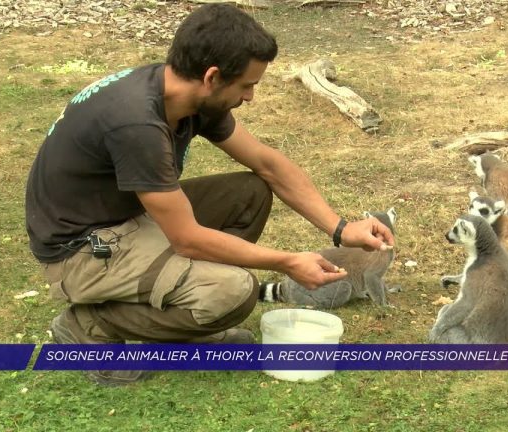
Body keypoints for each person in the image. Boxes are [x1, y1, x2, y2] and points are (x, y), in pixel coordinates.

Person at [24, 3, 394, 385]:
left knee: (249, 193)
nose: (250, 96)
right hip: (82, 250)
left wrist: (341, 229)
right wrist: (287, 261)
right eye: (247, 85)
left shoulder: (183, 93)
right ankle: (90, 325)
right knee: (234, 293)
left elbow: (267, 163)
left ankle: (187, 308)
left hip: (127, 216)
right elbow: (187, 239)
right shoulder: (136, 123)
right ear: (213, 76)